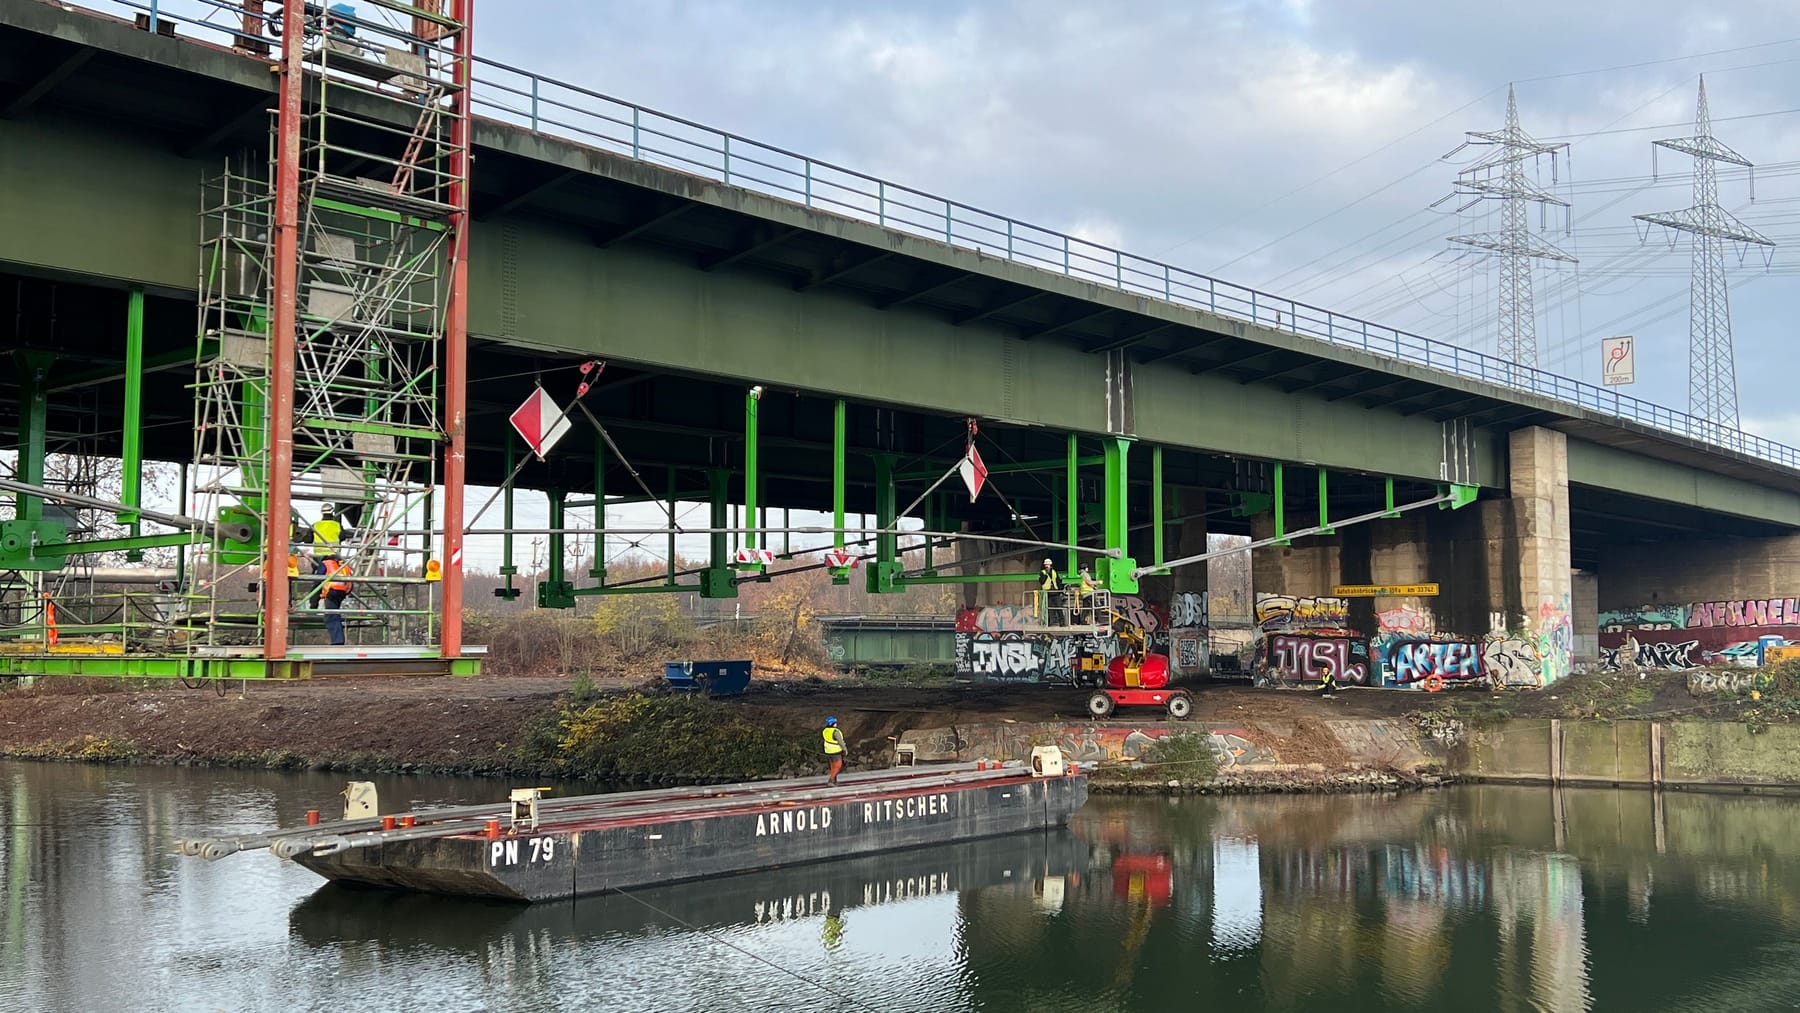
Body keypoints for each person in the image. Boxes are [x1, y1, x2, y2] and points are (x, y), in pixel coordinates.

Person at [318, 557, 352, 646]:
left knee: (331, 616)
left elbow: (317, 582)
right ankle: (338, 639)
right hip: (342, 592)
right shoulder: (343, 565)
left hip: (331, 591)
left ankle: (338, 640)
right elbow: (350, 582)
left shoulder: (325, 563)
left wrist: (313, 602)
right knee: (334, 614)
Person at [1038, 558, 1064, 625]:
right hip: (1047, 593)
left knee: (1059, 608)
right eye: (1046, 565)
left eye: (1048, 564)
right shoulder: (1042, 572)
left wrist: (1060, 590)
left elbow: (1058, 581)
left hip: (1055, 592)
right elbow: (1042, 581)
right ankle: (1049, 623)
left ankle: (1062, 622)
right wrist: (1046, 574)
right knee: (1048, 609)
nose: (1047, 566)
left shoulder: (1054, 572)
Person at [822, 716, 846, 786]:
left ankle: (835, 781)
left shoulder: (825, 731)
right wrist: (845, 749)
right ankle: (831, 781)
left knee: (833, 766)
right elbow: (840, 742)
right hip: (836, 751)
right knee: (838, 766)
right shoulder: (835, 732)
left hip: (828, 751)